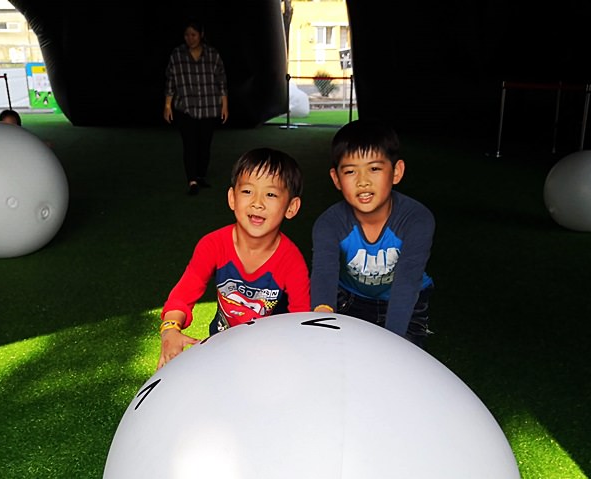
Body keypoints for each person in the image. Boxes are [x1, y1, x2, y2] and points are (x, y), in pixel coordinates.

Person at [157, 148, 309, 369]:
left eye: (271, 194)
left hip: (270, 351)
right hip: (222, 342)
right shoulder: (213, 245)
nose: (258, 202)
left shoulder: (292, 261)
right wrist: (170, 329)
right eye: (247, 191)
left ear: (291, 207)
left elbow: (301, 322)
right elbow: (184, 292)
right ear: (232, 198)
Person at [310, 119, 435, 347]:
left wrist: (392, 343)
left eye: (374, 169)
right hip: (350, 299)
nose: (363, 182)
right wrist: (323, 325)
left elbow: (407, 283)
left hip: (406, 302)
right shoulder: (329, 223)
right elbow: (323, 275)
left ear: (396, 172)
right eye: (350, 171)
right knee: (339, 355)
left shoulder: (417, 219)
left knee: (403, 360)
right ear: (336, 179)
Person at [163, 20, 228, 196]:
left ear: (201, 35)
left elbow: (221, 82)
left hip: (208, 107)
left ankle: (200, 175)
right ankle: (192, 179)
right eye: (186, 35)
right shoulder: (177, 55)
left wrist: (225, 106)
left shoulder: (212, 55)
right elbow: (171, 82)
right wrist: (167, 106)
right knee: (189, 144)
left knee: (204, 144)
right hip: (186, 108)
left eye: (193, 34)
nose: (190, 38)